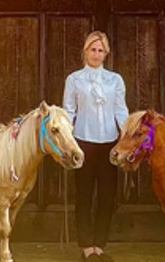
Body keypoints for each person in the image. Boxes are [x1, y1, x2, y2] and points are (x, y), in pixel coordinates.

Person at [63, 31, 129, 262]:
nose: (96, 54)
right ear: (85, 50)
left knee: (107, 196)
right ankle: (86, 246)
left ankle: (100, 245)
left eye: (101, 50)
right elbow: (69, 111)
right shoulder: (74, 80)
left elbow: (120, 110)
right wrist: (68, 142)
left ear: (106, 53)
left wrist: (126, 136)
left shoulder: (115, 80)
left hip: (109, 143)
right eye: (93, 49)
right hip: (83, 142)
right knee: (83, 195)